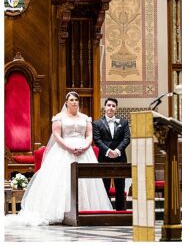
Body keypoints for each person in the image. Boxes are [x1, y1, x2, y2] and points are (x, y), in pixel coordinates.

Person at [7, 92, 112, 225]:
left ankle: (85, 210)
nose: (74, 102)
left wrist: (85, 146)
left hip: (84, 152)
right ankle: (61, 211)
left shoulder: (86, 118)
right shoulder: (58, 117)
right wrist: (68, 147)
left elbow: (89, 135)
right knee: (62, 180)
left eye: (76, 100)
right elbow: (57, 135)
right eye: (71, 100)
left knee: (87, 182)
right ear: (66, 102)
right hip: (63, 150)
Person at [93, 97, 131, 210]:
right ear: (105, 107)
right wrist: (108, 151)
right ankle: (106, 210)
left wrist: (117, 151)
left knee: (120, 186)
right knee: (104, 186)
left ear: (116, 108)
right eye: (109, 105)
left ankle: (121, 212)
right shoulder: (97, 123)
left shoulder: (123, 123)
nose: (111, 108)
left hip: (120, 158)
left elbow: (127, 138)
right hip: (104, 158)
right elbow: (97, 140)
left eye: (113, 106)